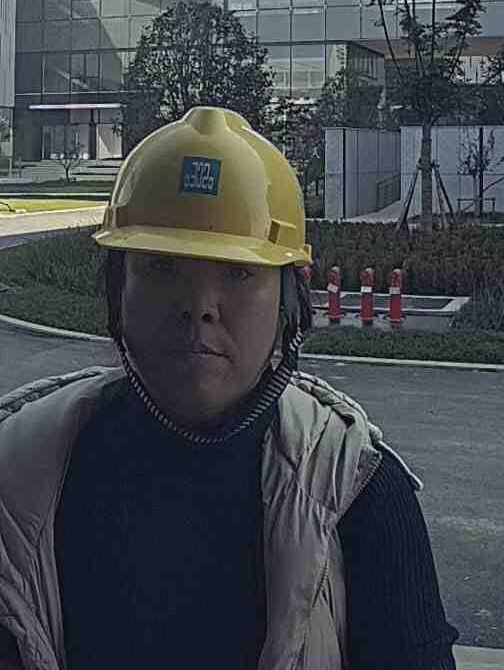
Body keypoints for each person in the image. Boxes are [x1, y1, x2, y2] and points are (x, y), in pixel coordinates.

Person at [0, 106, 459, 670]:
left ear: (289, 303)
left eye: (238, 273)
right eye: (163, 267)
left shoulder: (357, 492)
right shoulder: (17, 477)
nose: (199, 307)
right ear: (118, 290)